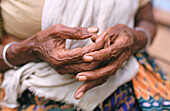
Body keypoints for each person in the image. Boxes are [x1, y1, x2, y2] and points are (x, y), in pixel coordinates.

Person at [0, 0, 170, 111]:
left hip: (128, 75)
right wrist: (29, 49)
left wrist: (133, 38)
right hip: (36, 88)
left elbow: (147, 21)